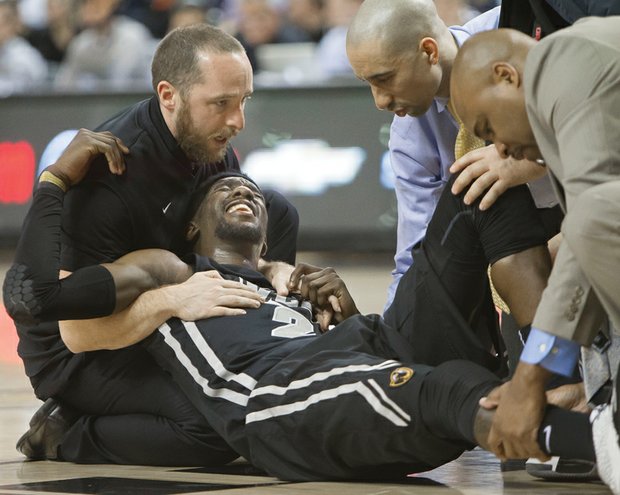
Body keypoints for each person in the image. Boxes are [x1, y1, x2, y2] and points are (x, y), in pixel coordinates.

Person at [5, 158, 617, 490]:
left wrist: (343, 318)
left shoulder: (291, 282)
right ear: (193, 226)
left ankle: (559, 368)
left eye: (252, 192)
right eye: (224, 191)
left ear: (270, 231)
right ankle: (597, 443)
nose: (241, 191)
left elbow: (336, 347)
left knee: (476, 183)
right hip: (279, 401)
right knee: (441, 387)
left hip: (361, 352)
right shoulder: (171, 267)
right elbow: (40, 296)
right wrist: (54, 182)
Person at [4, 24, 298, 466]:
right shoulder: (109, 177)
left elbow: (231, 252)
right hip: (78, 352)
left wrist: (271, 271)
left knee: (279, 210)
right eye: (221, 104)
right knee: (216, 425)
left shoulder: (209, 143)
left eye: (244, 101)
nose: (237, 121)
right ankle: (66, 431)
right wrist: (173, 299)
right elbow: (77, 333)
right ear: (168, 95)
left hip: (157, 309)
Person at [449, 17, 620, 491]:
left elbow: (596, 221)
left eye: (487, 127)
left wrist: (528, 381)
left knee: (588, 223)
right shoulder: (573, 71)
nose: (499, 147)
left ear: (507, 75)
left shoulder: (564, 67)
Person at [345, 0, 554, 311]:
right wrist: (389, 342)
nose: (379, 101)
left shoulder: (520, 26)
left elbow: (598, 117)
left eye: (384, 79)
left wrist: (532, 160)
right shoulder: (407, 136)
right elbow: (417, 257)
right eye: (369, 84)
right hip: (510, 258)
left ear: (429, 51)